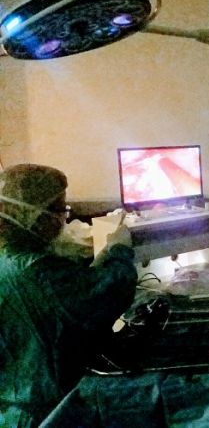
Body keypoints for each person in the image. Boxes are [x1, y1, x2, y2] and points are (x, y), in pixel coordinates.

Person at [0, 164, 138, 427]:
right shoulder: (39, 271)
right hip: (46, 413)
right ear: (31, 214)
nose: (62, 217)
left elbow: (61, 299)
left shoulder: (11, 259)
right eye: (59, 209)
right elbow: (109, 293)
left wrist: (98, 263)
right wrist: (119, 250)